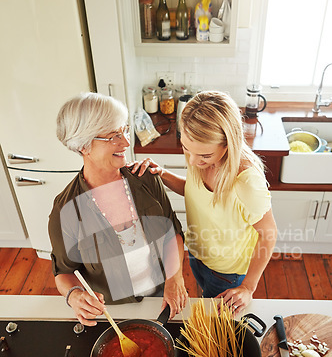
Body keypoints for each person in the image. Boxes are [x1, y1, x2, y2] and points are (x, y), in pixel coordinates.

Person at [129, 91, 277, 314]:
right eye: (186, 150)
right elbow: (193, 190)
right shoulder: (199, 156)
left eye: (204, 156)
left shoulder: (247, 183)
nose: (193, 161)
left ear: (227, 145)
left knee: (215, 327)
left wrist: (248, 287)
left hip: (227, 275)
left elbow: (269, 233)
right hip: (197, 256)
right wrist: (162, 174)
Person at [48, 92, 187, 326]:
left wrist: (175, 278)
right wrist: (74, 296)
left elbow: (171, 232)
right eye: (113, 136)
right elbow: (63, 271)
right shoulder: (66, 211)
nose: (125, 142)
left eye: (123, 130)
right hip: (113, 314)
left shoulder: (145, 177)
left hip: (162, 298)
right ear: (83, 145)